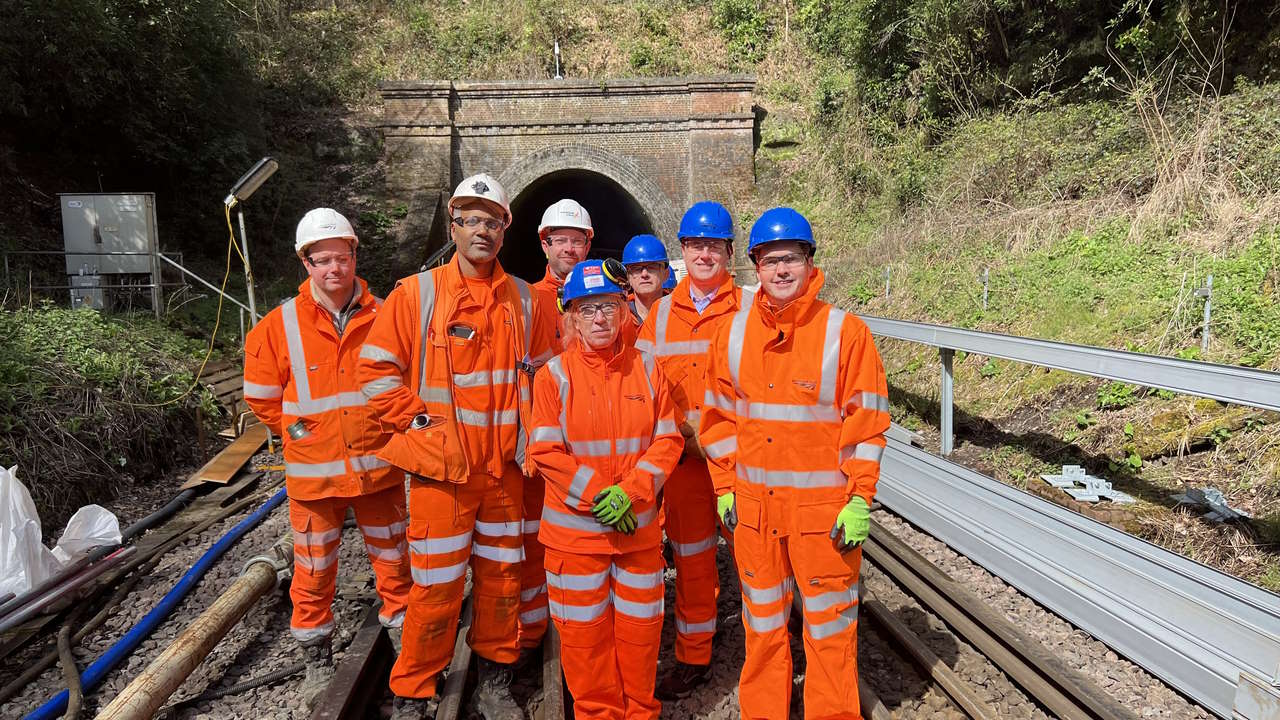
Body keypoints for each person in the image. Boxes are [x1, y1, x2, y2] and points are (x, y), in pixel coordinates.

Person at [357, 173, 554, 720]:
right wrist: (419, 424)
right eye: (471, 220)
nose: (482, 231)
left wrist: (535, 440)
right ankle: (415, 687)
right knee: (436, 589)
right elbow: (374, 372)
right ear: (454, 226)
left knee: (501, 583)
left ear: (505, 230)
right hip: (442, 475)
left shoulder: (525, 299)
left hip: (503, 473)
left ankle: (494, 680)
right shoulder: (414, 295)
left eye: (493, 221)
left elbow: (544, 377)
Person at [700, 207, 889, 719]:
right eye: (769, 261)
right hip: (757, 516)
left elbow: (867, 425)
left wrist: (859, 498)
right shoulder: (733, 335)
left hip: (822, 518)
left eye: (791, 259)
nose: (781, 270)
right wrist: (724, 486)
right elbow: (717, 421)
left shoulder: (845, 334)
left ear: (810, 262)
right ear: (754, 267)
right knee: (762, 630)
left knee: (829, 632)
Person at [242, 208, 411, 707]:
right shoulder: (279, 327)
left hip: (379, 472)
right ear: (306, 263)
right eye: (322, 260)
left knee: (396, 568)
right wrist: (298, 433)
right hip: (315, 482)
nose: (333, 269)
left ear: (355, 256)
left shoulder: (386, 316)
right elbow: (260, 396)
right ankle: (317, 660)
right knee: (313, 575)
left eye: (341, 257)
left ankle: (405, 652)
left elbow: (405, 381)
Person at [529, 259, 684, 719]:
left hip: (635, 535)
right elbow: (545, 451)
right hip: (576, 541)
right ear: (571, 318)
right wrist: (600, 494)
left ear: (624, 311)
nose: (600, 319)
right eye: (588, 309)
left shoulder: (649, 369)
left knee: (640, 638)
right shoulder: (553, 377)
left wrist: (632, 493)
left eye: (609, 308)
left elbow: (669, 439)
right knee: (584, 642)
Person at [635, 201, 746, 699]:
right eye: (696, 245)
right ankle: (694, 656)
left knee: (756, 560)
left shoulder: (750, 307)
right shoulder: (658, 317)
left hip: (739, 463)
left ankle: (771, 652)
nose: (705, 254)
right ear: (683, 250)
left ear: (729, 252)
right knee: (695, 561)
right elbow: (638, 387)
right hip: (683, 467)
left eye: (714, 246)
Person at [521, 197, 595, 655]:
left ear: (589, 244)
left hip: (593, 445)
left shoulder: (606, 300)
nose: (568, 247)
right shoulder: (527, 300)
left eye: (577, 240)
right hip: (543, 445)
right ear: (544, 244)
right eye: (560, 239)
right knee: (533, 544)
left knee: (584, 545)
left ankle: (580, 632)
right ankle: (531, 636)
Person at [620, 234, 671, 346]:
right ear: (628, 277)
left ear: (666, 274)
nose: (644, 274)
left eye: (652, 267)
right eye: (636, 268)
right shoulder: (618, 317)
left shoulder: (681, 312)